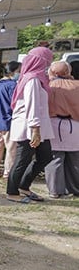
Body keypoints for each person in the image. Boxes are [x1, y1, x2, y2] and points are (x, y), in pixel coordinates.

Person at [6, 47, 54, 203]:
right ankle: (12, 191)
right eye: (48, 61)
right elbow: (32, 105)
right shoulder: (32, 79)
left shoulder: (38, 78)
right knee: (22, 159)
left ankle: (23, 185)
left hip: (38, 126)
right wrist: (35, 129)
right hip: (30, 126)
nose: (49, 65)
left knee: (45, 156)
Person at [44, 61, 79, 198]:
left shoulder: (48, 85)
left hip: (53, 124)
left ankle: (55, 190)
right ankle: (75, 188)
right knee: (75, 160)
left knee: (54, 159)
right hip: (74, 125)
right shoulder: (76, 86)